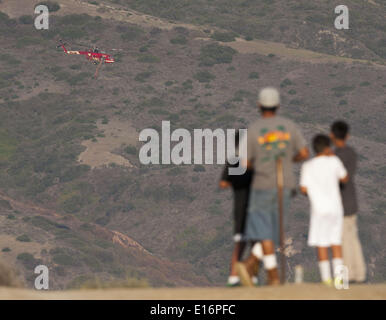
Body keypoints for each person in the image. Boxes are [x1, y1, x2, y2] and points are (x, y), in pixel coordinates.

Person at [237, 87, 309, 286]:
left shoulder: (254, 130)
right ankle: (267, 272)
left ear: (259, 106)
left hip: (262, 185)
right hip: (283, 186)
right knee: (272, 230)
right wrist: (287, 159)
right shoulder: (288, 127)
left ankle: (265, 271)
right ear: (278, 105)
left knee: (265, 231)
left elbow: (244, 163)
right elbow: (304, 153)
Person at [300, 134, 349, 286]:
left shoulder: (308, 166)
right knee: (336, 242)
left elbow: (303, 188)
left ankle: (326, 279)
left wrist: (313, 192)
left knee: (321, 243)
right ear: (328, 148)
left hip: (318, 210)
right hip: (335, 208)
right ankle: (341, 280)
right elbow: (344, 178)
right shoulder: (334, 161)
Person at [219, 131, 262, 286]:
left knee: (240, 244)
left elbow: (223, 183)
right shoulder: (254, 161)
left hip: (240, 208)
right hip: (254, 208)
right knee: (255, 244)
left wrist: (236, 183)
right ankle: (251, 276)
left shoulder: (233, 161)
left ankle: (234, 277)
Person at [331, 121, 366, 283]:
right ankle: (359, 273)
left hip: (341, 204)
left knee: (343, 241)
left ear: (332, 136)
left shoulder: (335, 156)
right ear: (348, 136)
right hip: (352, 201)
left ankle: (344, 278)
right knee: (352, 238)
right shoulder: (351, 153)